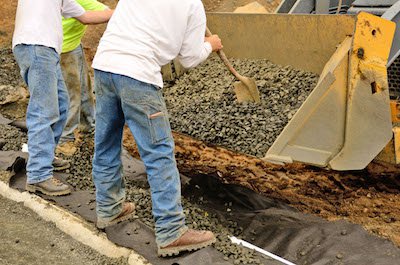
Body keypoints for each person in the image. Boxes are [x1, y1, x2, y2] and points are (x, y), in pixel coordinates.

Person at [91, 0, 223, 257]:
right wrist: (211, 44)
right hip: (138, 74)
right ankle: (172, 230)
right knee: (159, 152)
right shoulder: (192, 5)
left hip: (105, 66)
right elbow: (189, 57)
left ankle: (109, 209)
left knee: (106, 142)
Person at [12, 0, 113, 196]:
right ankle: (39, 175)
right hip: (36, 47)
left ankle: (45, 157)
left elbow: (85, 17)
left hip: (45, 50)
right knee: (44, 111)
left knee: (61, 104)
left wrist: (122, 11)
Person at [57, 0, 110, 156]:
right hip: (64, 49)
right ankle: (64, 140)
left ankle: (88, 127)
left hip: (73, 45)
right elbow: (108, 13)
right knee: (71, 95)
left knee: (85, 88)